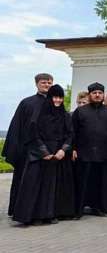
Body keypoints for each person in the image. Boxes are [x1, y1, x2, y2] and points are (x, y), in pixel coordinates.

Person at [12, 84, 76, 225]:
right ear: (49, 98)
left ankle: (51, 214)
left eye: (60, 97)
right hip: (40, 156)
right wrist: (44, 152)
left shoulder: (65, 116)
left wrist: (62, 150)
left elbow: (70, 135)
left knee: (53, 187)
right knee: (36, 186)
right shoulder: (39, 115)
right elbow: (33, 134)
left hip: (59, 157)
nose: (58, 100)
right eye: (55, 97)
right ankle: (35, 216)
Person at [3, 73, 53, 217]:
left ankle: (42, 213)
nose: (47, 85)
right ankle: (19, 211)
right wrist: (15, 149)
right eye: (44, 82)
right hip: (27, 150)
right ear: (36, 84)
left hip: (48, 151)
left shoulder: (55, 103)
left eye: (49, 83)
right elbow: (16, 126)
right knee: (24, 182)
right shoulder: (27, 103)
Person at [72, 82, 107, 218]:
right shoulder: (80, 111)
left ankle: (100, 208)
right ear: (90, 95)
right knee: (82, 182)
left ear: (103, 95)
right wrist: (73, 148)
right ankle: (79, 209)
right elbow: (73, 132)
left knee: (102, 182)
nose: (97, 95)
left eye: (100, 93)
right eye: (94, 93)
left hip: (104, 153)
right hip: (84, 153)